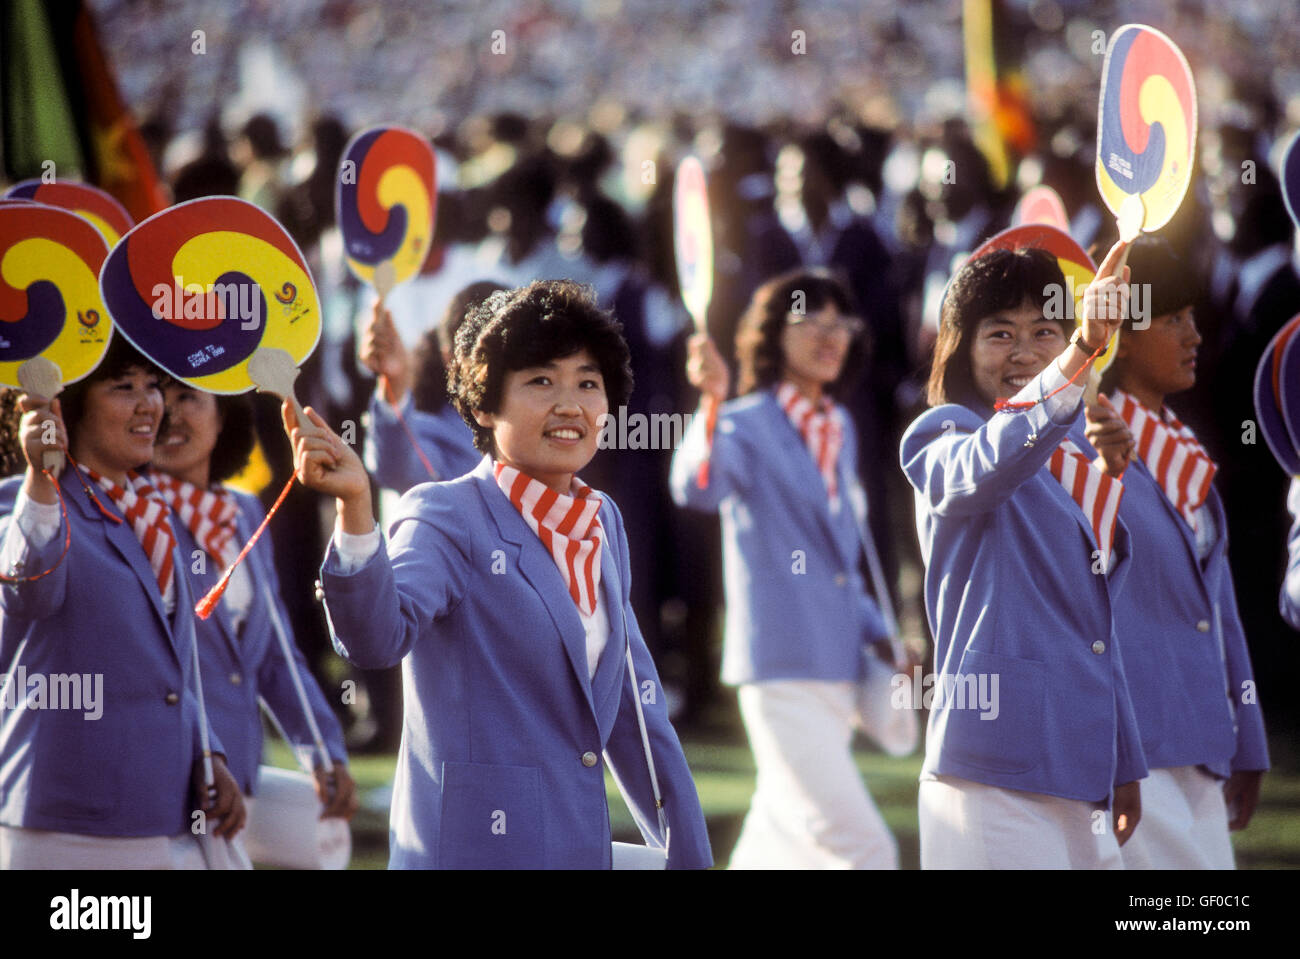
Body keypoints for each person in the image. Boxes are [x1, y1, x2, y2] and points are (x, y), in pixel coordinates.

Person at [283, 279, 712, 869]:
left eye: (588, 383)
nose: (570, 404)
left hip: (576, 848)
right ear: (485, 404)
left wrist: (689, 856)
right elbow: (376, 638)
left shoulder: (601, 520)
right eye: (541, 381)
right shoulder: (445, 514)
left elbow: (639, 715)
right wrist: (355, 510)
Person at [899, 242, 1144, 868]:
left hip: (1081, 767)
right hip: (989, 771)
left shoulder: (1076, 460)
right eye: (1000, 333)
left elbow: (1096, 625)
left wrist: (1126, 756)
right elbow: (988, 464)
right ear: (960, 347)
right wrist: (1079, 353)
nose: (1025, 352)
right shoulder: (942, 433)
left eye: (1045, 331)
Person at [670, 269, 903, 869]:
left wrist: (880, 632)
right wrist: (712, 402)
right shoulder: (743, 423)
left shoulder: (842, 426)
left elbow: (841, 561)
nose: (829, 337)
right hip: (779, 666)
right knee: (864, 846)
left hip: (839, 665)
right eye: (810, 322)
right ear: (773, 335)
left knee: (779, 841)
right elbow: (694, 484)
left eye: (840, 324)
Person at [0, 337, 245, 868]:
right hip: (65, 824)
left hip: (161, 813)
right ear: (68, 406)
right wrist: (42, 479)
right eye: (123, 387)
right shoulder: (25, 500)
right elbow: (28, 592)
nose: (149, 405)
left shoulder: (150, 511)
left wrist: (207, 751)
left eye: (153, 386)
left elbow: (168, 666)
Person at [1091, 238, 1268, 868]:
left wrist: (1248, 738)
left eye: (1192, 315)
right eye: (1172, 319)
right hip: (1130, 750)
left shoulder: (1184, 449)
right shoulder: (1082, 455)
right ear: (1123, 336)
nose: (1194, 334)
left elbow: (1220, 610)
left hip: (1203, 745)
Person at [149, 385, 359, 821]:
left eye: (187, 397)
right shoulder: (131, 511)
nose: (169, 415)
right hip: (162, 777)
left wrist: (323, 750)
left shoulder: (243, 511)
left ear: (224, 414)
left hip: (238, 787)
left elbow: (275, 655)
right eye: (155, 395)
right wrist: (203, 752)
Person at [360, 281, 502, 492]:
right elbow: (396, 470)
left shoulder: (554, 411)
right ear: (450, 358)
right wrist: (395, 384)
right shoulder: (438, 431)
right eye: (485, 355)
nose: (503, 367)